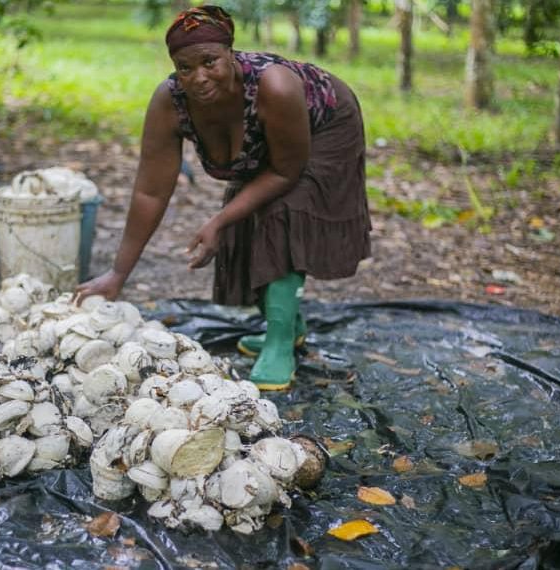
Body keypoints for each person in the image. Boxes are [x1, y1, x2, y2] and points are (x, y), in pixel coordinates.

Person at [75, 5, 371, 391]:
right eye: (185, 68)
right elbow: (150, 191)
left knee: (282, 212)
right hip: (280, 145)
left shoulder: (274, 87)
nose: (198, 77)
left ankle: (280, 344)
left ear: (231, 53)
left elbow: (285, 172)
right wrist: (118, 274)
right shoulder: (171, 102)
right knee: (249, 222)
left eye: (209, 61)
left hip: (326, 127)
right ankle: (288, 323)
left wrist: (218, 221)